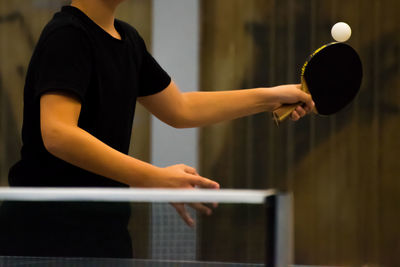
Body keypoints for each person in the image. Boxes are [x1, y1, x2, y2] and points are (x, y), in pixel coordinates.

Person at [0, 0, 314, 259]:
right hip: (44, 231)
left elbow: (181, 109)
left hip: (106, 228)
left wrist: (271, 97)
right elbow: (58, 134)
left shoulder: (128, 40)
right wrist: (156, 178)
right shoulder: (68, 35)